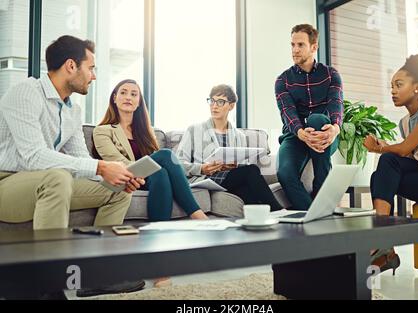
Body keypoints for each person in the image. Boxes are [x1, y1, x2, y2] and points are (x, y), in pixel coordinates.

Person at [0, 35, 133, 231]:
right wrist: (101, 167)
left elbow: (80, 158)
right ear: (71, 66)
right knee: (58, 177)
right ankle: (52, 261)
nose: (93, 76)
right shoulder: (25, 93)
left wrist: (120, 176)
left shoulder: (73, 111)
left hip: (45, 183)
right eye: (90, 68)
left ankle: (100, 257)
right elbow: (34, 157)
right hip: (7, 182)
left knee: (119, 190)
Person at [364, 54, 418, 274]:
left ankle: (381, 242)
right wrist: (385, 149)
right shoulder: (404, 123)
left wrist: (382, 147)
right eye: (391, 86)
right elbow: (412, 157)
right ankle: (385, 247)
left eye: (398, 85)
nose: (392, 90)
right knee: (381, 173)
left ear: (417, 87)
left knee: (388, 158)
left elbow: (404, 148)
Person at [93, 79, 208, 222]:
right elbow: (116, 161)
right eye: (123, 93)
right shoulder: (102, 130)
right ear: (114, 98)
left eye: (134, 94)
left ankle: (159, 229)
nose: (128, 97)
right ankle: (198, 215)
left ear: (139, 102)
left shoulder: (146, 132)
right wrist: (144, 167)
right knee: (165, 155)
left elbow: (161, 164)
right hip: (122, 178)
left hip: (146, 180)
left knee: (160, 172)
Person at [177, 84, 283, 212]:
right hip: (206, 179)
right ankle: (278, 212)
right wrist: (201, 168)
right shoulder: (194, 130)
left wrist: (233, 165)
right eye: (212, 101)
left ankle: (259, 223)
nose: (214, 106)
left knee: (248, 192)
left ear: (231, 106)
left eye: (220, 102)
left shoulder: (239, 136)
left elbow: (242, 165)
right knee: (251, 171)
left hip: (228, 179)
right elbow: (178, 164)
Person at [275, 24, 343, 210]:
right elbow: (287, 113)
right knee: (285, 173)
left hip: (325, 133)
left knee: (317, 119)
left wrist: (335, 129)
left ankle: (321, 190)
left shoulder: (331, 75)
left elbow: (336, 105)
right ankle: (313, 213)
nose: (295, 50)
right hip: (296, 136)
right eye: (292, 45)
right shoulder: (283, 80)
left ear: (314, 47)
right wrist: (301, 134)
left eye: (300, 45)